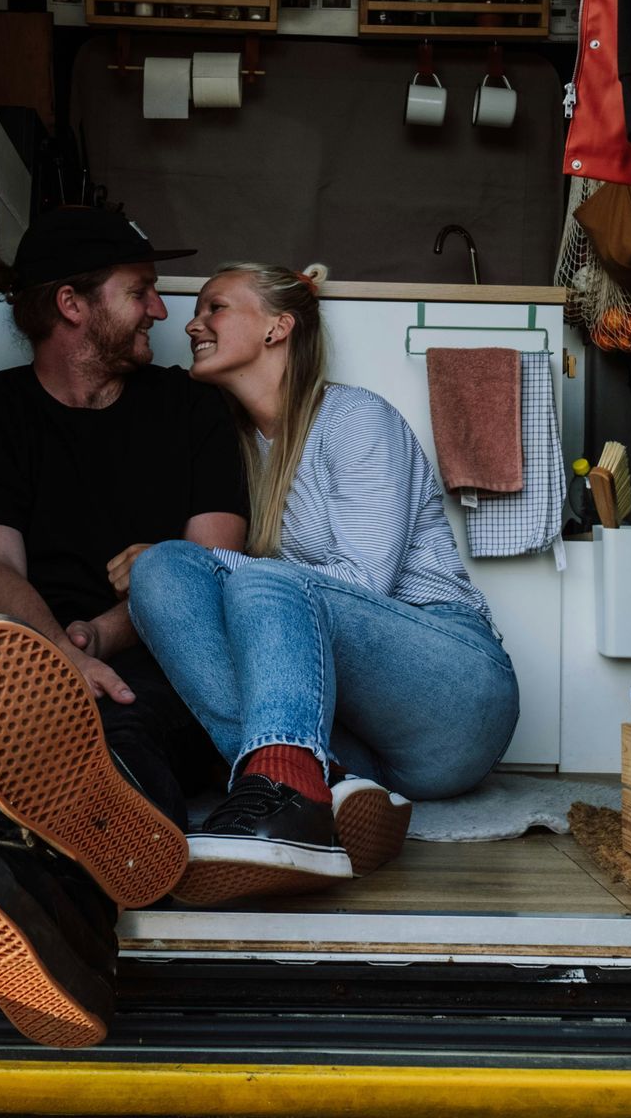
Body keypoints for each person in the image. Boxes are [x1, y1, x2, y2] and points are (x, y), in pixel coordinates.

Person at [0, 205, 248, 1049]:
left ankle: (13, 868)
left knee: (130, 719)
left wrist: (97, 647)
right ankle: (81, 906)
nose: (161, 313)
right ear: (72, 304)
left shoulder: (191, 411)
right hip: (20, 653)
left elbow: (210, 559)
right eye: (140, 292)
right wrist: (52, 666)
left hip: (153, 653)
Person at [127, 263, 521, 905]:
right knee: (160, 571)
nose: (192, 323)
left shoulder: (354, 418)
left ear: (279, 327)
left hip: (453, 695)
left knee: (263, 584)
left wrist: (228, 567)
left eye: (215, 307)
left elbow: (367, 581)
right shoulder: (235, 448)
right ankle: (312, 786)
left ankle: (282, 789)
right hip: (347, 735)